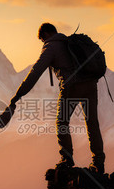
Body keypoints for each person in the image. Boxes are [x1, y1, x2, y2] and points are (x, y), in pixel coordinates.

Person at [10, 23, 105, 174]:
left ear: (46, 34)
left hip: (72, 86)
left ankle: (67, 158)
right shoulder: (68, 42)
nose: (43, 42)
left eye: (42, 39)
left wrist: (19, 94)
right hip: (90, 84)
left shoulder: (51, 47)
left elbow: (35, 72)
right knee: (92, 122)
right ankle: (98, 162)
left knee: (62, 122)